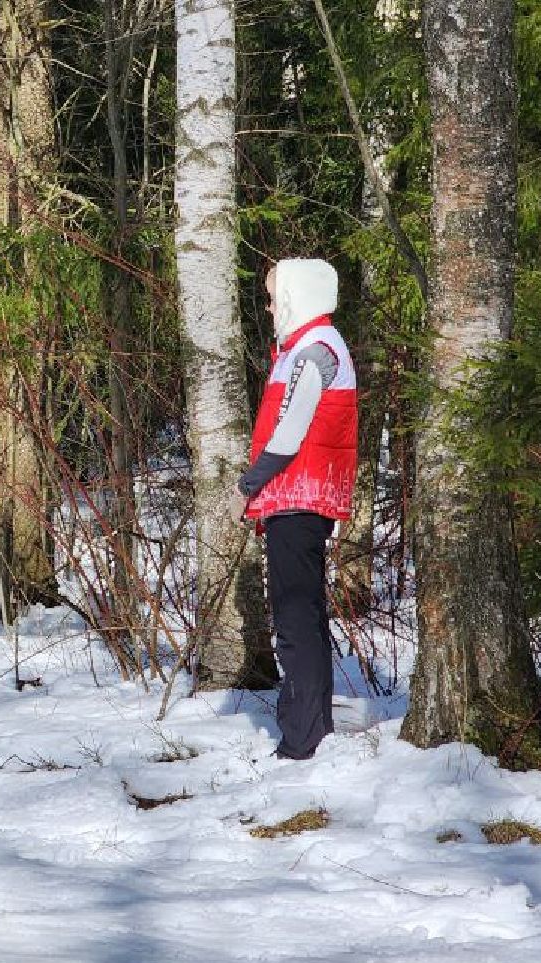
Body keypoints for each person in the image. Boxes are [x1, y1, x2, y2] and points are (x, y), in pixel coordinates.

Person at [233, 258, 358, 761]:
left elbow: (289, 433)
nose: (268, 307)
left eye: (272, 297)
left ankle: (303, 737)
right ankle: (312, 727)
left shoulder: (315, 350)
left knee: (295, 618)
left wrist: (248, 485)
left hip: (300, 495)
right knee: (302, 612)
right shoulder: (303, 348)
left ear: (295, 297)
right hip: (297, 496)